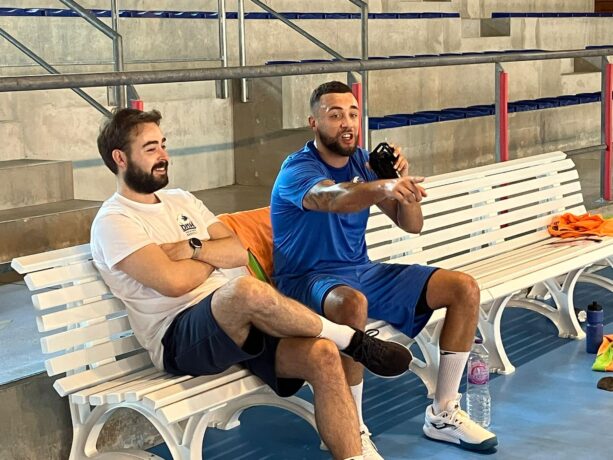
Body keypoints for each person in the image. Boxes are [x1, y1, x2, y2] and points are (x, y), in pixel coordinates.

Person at [90, 108, 413, 460]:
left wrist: (193, 248)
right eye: (151, 148)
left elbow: (237, 252)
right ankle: (351, 340)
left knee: (321, 356)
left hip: (238, 323)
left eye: (163, 145)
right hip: (179, 336)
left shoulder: (181, 200)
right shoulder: (115, 221)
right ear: (120, 158)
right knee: (243, 290)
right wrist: (211, 258)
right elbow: (173, 283)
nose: (164, 156)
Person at [271, 81, 499, 457]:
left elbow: (412, 225)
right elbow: (333, 199)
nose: (347, 123)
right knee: (352, 304)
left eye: (353, 114)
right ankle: (353, 429)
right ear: (313, 122)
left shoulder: (363, 160)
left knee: (463, 288)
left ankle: (443, 412)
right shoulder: (297, 168)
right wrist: (385, 185)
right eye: (335, 115)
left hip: (360, 270)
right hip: (306, 279)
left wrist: (402, 186)